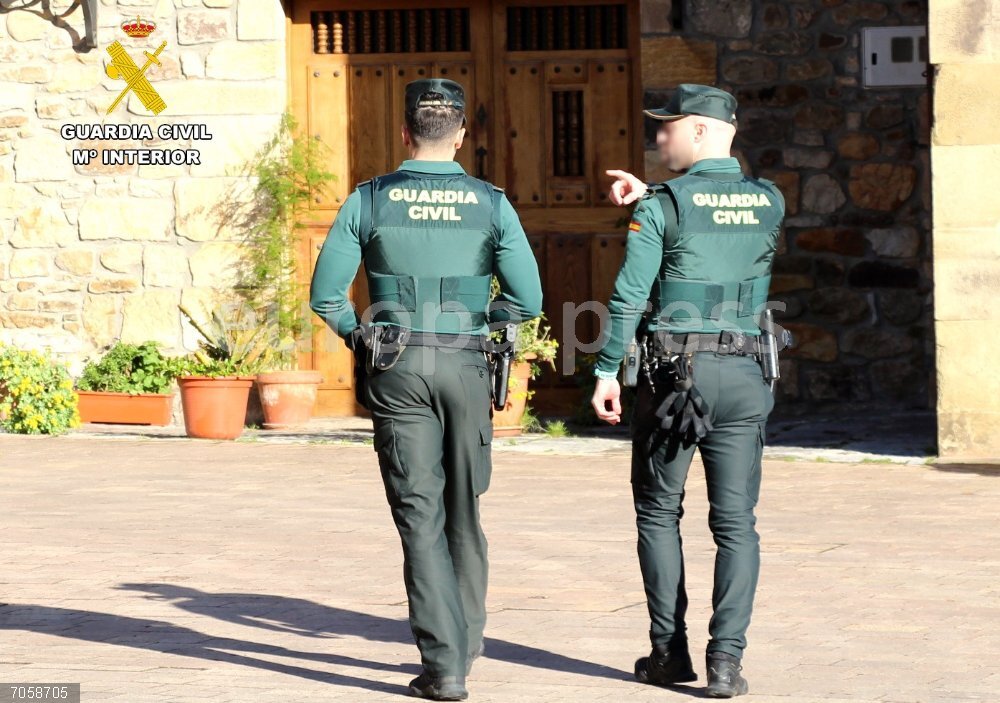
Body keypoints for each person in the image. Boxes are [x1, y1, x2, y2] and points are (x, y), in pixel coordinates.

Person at [309, 78, 543, 701]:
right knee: (464, 508)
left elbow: (326, 295)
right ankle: (465, 643)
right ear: (462, 134)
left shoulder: (369, 200)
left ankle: (445, 667)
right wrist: (485, 327)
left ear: (406, 133)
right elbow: (529, 298)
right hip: (466, 363)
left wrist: (364, 339)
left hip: (398, 366)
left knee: (420, 514)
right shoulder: (492, 203)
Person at [590, 84, 786, 698]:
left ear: (699, 131)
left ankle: (668, 655)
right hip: (746, 374)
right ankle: (726, 663)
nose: (657, 138)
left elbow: (627, 297)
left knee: (657, 512)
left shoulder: (661, 209)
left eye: (667, 127)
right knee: (736, 524)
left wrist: (604, 370)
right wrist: (653, 196)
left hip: (675, 381)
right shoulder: (770, 201)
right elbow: (714, 221)